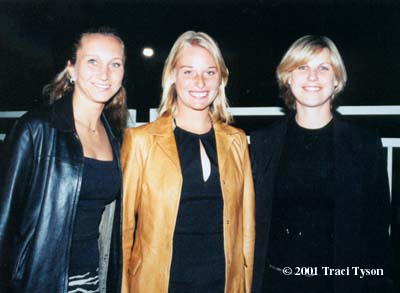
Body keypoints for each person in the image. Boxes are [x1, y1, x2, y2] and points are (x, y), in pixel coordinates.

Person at [251, 35, 393, 293]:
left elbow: (377, 233)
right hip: (276, 284)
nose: (312, 77)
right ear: (288, 77)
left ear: (336, 79)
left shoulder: (365, 145)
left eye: (323, 68)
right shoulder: (262, 144)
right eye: (302, 67)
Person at [121, 31, 255, 292]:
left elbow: (246, 229)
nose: (200, 82)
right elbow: (123, 232)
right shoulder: (141, 141)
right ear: (172, 76)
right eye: (188, 71)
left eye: (210, 72)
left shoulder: (237, 141)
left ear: (221, 79)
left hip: (222, 284)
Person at [0, 27, 127, 292]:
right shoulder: (36, 129)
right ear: (72, 69)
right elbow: (3, 221)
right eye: (93, 61)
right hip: (41, 282)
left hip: (93, 281)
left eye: (115, 64)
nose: (105, 73)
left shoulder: (115, 138)